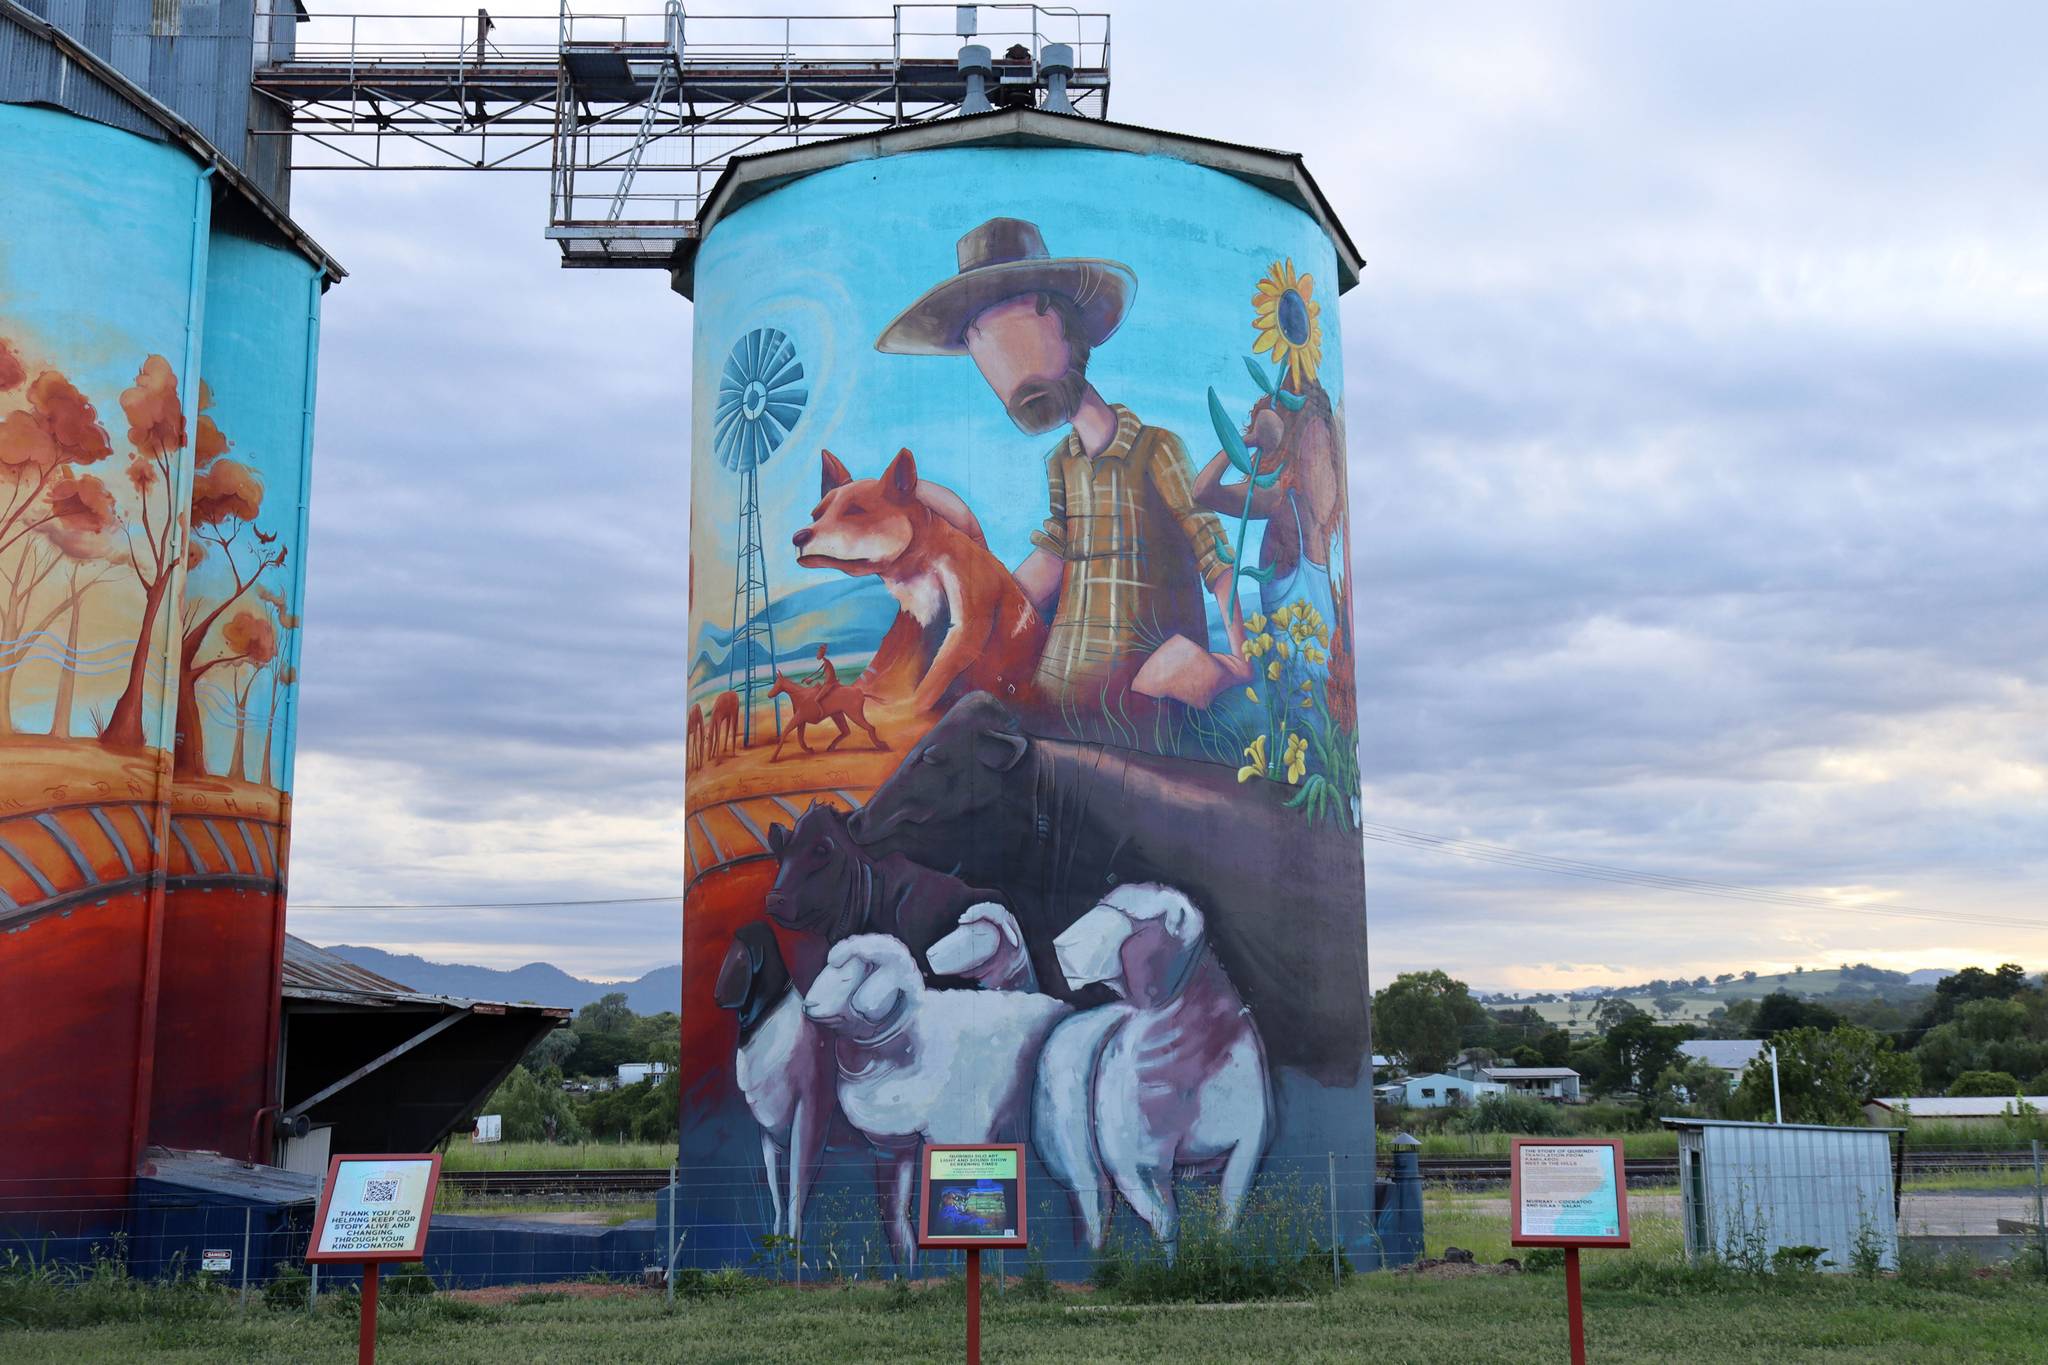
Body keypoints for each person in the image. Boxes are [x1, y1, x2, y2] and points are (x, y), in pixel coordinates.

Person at [876, 217, 1247, 710]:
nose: (1003, 373)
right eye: (979, 346)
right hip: (1061, 690)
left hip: (1142, 701)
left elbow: (1215, 555)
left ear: (1052, 315)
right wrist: (983, 603)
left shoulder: (1156, 449)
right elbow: (1053, 557)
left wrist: (1241, 659)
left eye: (1006, 336)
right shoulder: (1063, 464)